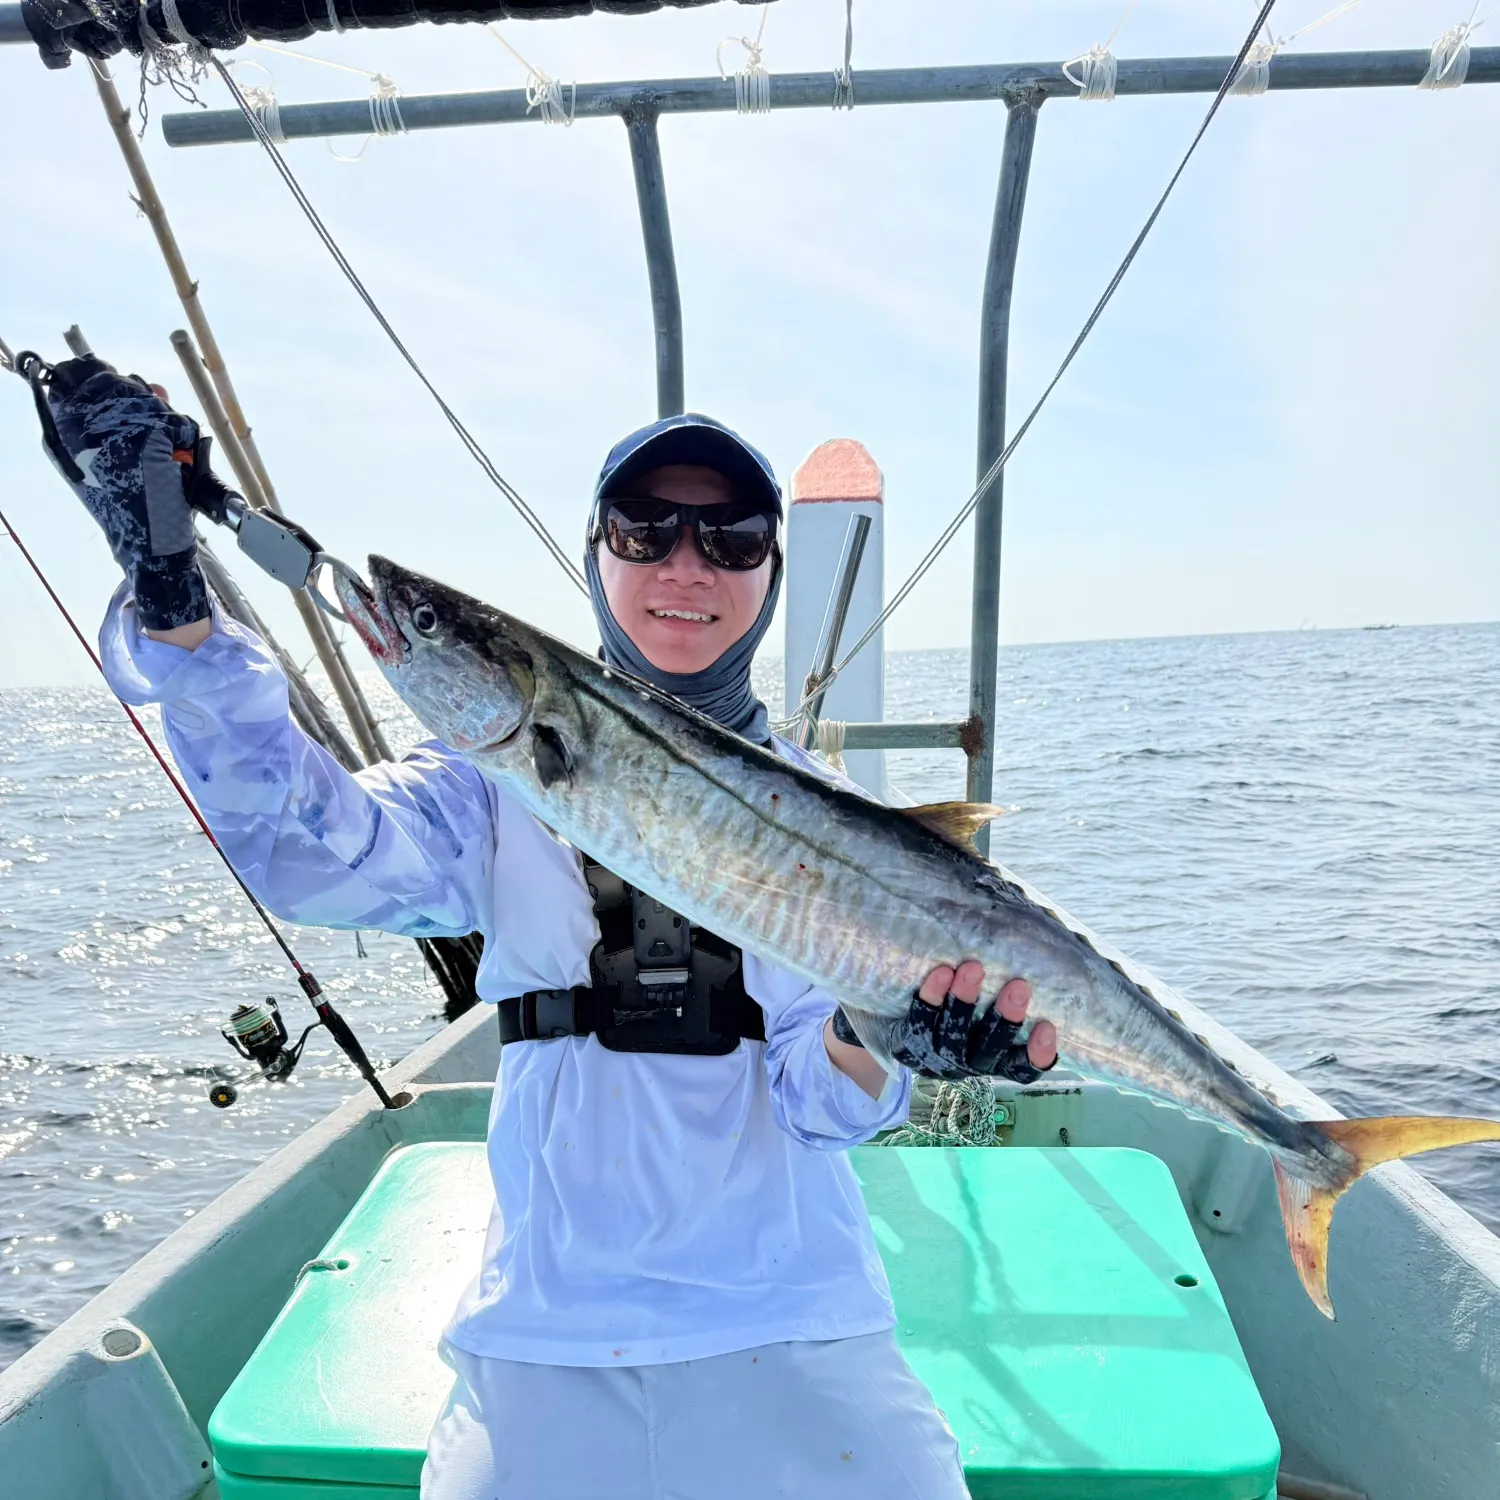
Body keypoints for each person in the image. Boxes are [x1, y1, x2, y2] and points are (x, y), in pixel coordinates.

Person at [46, 356, 1057, 1500]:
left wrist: (888, 1039)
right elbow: (301, 849)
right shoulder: (487, 788)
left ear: (771, 573)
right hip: (546, 1331)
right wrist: (180, 605)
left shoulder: (831, 832)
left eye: (730, 538)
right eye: (646, 529)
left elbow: (824, 1108)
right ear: (595, 555)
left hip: (798, 1316)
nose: (687, 564)